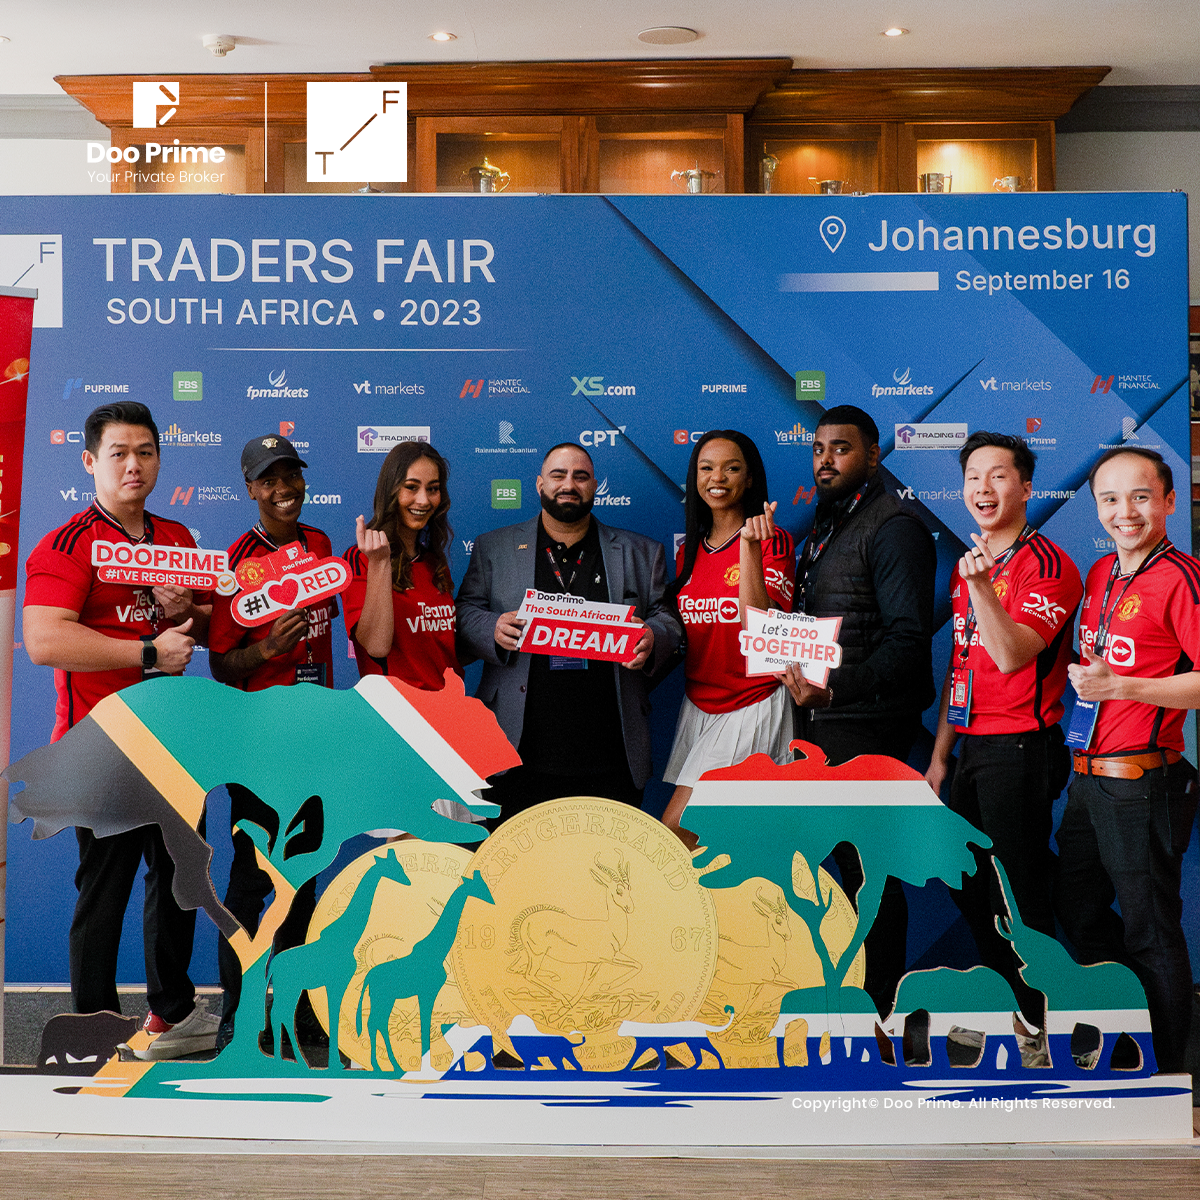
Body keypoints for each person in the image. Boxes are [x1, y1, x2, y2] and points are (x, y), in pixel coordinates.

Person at [22, 400, 218, 1060]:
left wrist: (186, 610)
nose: (134, 465)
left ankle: (172, 1017)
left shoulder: (177, 537)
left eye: (146, 452)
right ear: (90, 461)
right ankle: (94, 1029)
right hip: (99, 747)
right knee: (104, 892)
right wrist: (146, 652)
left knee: (178, 880)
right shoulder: (68, 543)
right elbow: (44, 640)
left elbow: (208, 629)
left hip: (172, 742)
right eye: (119, 453)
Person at [924, 432, 1082, 1057]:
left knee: (1020, 892)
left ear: (1025, 488)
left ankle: (1045, 1023)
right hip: (970, 750)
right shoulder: (973, 564)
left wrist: (984, 588)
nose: (982, 489)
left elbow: (1014, 655)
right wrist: (940, 756)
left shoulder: (1048, 565)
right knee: (969, 883)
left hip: (1020, 748)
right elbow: (961, 664)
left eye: (997, 476)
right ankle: (1015, 1001)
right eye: (972, 478)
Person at [781, 404, 936, 1016]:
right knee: (845, 870)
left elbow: (908, 640)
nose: (826, 460)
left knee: (870, 875)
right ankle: (854, 1003)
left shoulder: (893, 525)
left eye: (841, 449)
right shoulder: (829, 521)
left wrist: (835, 690)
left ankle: (882, 1013)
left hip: (866, 726)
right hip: (825, 722)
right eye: (818, 448)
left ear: (873, 455)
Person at [1055, 447, 1200, 1074]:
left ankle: (1168, 1079)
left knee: (1151, 929)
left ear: (1168, 501)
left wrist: (1123, 686)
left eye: (1141, 497)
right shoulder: (1100, 573)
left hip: (1143, 779)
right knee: (1077, 910)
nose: (1126, 511)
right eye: (1110, 499)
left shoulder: (1182, 577)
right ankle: (1131, 1034)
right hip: (1088, 779)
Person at [455, 442, 682, 825]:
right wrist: (492, 628)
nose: (569, 485)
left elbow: (667, 619)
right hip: (515, 748)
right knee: (516, 859)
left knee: (607, 860)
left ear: (594, 485)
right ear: (540, 484)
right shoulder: (494, 547)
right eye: (558, 475)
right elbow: (463, 612)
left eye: (580, 476)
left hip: (611, 752)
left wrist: (652, 636)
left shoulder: (641, 552)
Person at [208, 433, 338, 1049]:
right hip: (258, 747)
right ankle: (235, 1014)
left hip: (314, 739)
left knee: (304, 880)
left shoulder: (321, 546)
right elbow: (220, 664)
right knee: (248, 885)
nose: (283, 488)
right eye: (269, 479)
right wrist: (267, 649)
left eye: (291, 475)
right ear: (251, 489)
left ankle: (298, 1011)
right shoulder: (237, 563)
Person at [659, 430, 795, 844]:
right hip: (699, 702)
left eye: (731, 468)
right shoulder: (688, 551)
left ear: (749, 479)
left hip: (751, 701)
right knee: (721, 842)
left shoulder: (773, 540)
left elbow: (761, 630)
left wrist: (749, 548)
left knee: (678, 827)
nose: (717, 477)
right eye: (706, 468)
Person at [343, 440, 460, 691]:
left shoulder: (433, 561)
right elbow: (376, 646)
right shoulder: (360, 558)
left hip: (449, 706)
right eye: (411, 487)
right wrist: (380, 563)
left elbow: (444, 650)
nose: (424, 500)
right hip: (395, 709)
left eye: (433, 488)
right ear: (391, 490)